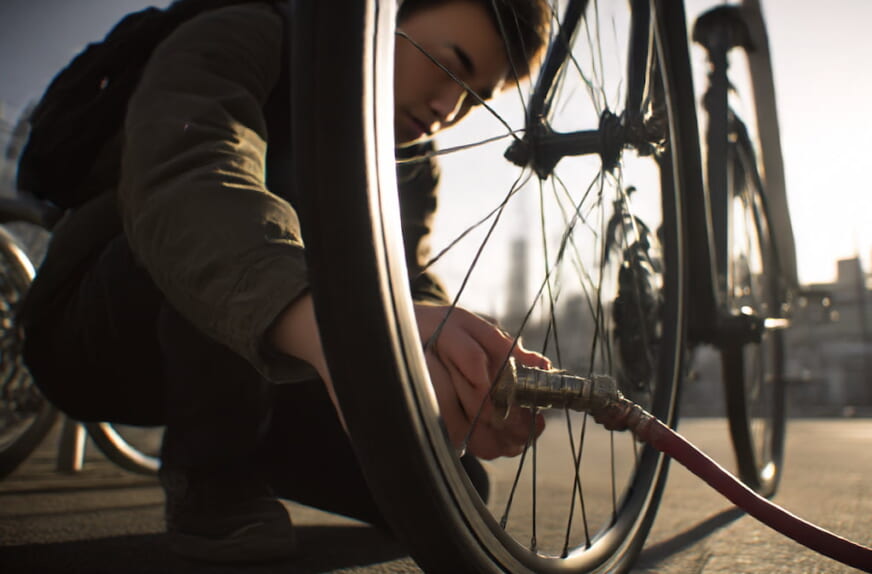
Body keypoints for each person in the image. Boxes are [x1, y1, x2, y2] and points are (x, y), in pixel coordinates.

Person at [18, 0, 550, 564]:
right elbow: (189, 173)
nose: (448, 107)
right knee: (226, 218)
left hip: (281, 359)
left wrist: (448, 358)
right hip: (97, 327)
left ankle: (254, 440)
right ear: (379, 16)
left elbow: (410, 281)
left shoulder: (414, 162)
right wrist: (348, 336)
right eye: (449, 66)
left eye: (474, 98)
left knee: (451, 484)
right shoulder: (247, 30)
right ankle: (215, 472)